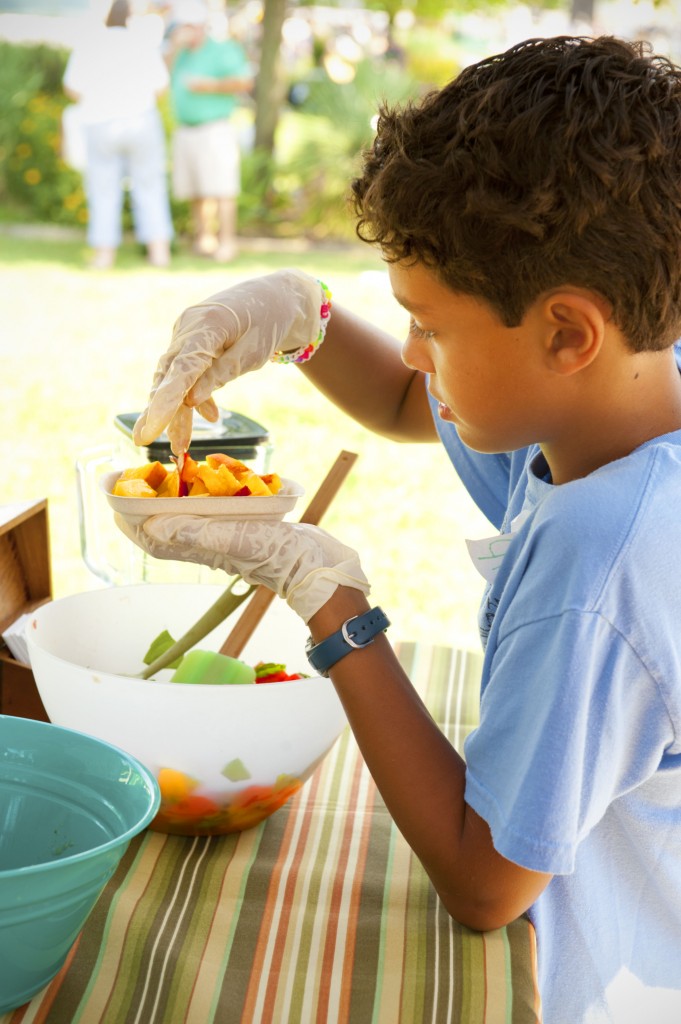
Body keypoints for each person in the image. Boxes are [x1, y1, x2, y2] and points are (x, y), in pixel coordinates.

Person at [119, 36, 681, 1023]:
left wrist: (324, 592)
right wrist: (300, 316)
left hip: (598, 976)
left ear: (565, 332)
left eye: (432, 323)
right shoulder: (617, 402)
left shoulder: (602, 553)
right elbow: (404, 400)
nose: (416, 353)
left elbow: (484, 882)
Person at [63, 0, 174, 269]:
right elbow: (161, 87)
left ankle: (104, 255)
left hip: (101, 122)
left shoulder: (90, 44)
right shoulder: (142, 44)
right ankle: (159, 253)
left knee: (103, 188)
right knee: (150, 185)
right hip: (142, 120)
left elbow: (71, 88)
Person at [166, 0, 253, 262]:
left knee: (222, 188)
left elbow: (244, 81)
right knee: (196, 189)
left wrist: (209, 85)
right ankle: (204, 238)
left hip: (214, 127)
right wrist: (174, 47)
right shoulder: (179, 53)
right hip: (186, 128)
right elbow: (163, 76)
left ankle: (227, 241)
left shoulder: (223, 49)